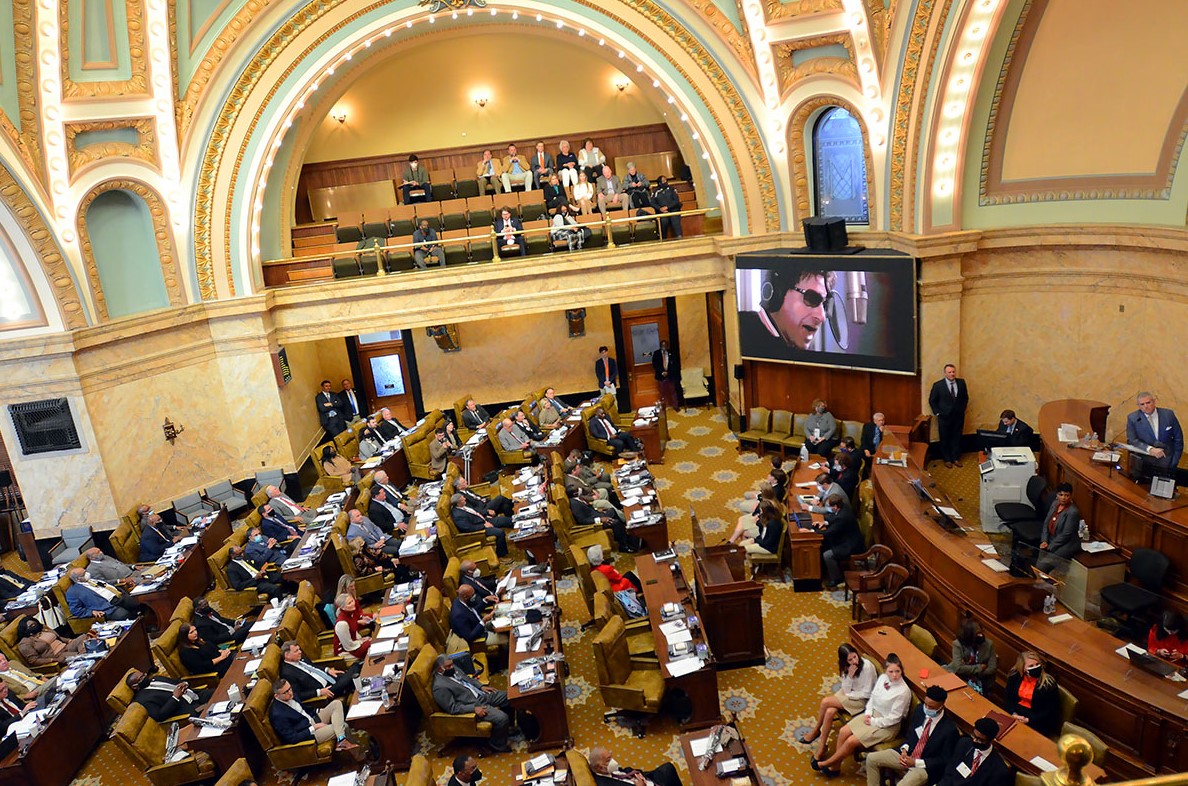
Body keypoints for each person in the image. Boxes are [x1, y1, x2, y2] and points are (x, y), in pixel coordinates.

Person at [813, 654, 911, 777]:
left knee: (851, 741)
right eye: (891, 671)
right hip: (873, 714)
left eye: (897, 671)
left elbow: (894, 718)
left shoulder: (903, 692)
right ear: (885, 671)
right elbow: (873, 698)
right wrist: (868, 713)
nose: (894, 675)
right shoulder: (883, 678)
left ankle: (828, 763)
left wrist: (874, 721)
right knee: (843, 731)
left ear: (902, 670)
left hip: (887, 726)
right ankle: (836, 767)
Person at [864, 685, 959, 786]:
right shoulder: (919, 711)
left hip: (924, 767)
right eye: (926, 704)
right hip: (908, 754)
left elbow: (943, 760)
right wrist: (904, 749)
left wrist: (915, 762)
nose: (927, 708)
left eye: (931, 707)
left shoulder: (949, 730)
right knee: (871, 759)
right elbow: (910, 735)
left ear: (941, 706)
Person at [798, 644, 877, 757]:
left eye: (855, 657)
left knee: (825, 702)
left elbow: (867, 693)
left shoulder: (867, 667)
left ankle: (816, 731)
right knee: (829, 711)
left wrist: (849, 695)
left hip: (862, 700)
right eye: (850, 660)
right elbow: (845, 688)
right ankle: (822, 746)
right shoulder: (847, 667)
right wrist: (850, 676)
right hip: (849, 694)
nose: (854, 661)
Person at [432, 652, 515, 752]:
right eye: (448, 666)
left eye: (452, 664)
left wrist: (481, 686)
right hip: (472, 705)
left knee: (510, 697)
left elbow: (467, 678)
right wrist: (474, 709)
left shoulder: (451, 669)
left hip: (480, 694)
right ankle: (497, 745)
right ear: (440, 669)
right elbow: (453, 708)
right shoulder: (440, 687)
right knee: (502, 718)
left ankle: (507, 730)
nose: (452, 667)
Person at [739, 268, 829, 352]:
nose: (822, 317)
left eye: (825, 304)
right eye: (811, 299)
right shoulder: (737, 332)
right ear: (778, 294)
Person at [269, 678, 358, 750]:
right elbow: (293, 738)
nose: (290, 693)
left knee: (336, 703)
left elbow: (304, 710)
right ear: (276, 696)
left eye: (290, 689)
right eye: (286, 692)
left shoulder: (290, 695)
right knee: (343, 726)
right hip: (309, 733)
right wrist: (314, 727)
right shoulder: (277, 715)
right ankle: (358, 756)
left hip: (312, 718)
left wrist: (318, 711)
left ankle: (341, 740)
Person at [936, 718, 1010, 786]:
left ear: (991, 740)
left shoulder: (998, 769)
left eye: (980, 740)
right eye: (974, 736)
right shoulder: (964, 744)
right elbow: (950, 772)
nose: (974, 740)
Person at [1002, 651, 1060, 737]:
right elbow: (1008, 697)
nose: (1035, 667)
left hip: (1037, 719)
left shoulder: (1049, 684)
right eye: (1031, 666)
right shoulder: (1014, 676)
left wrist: (1028, 720)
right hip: (1016, 713)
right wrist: (1013, 714)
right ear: (1023, 668)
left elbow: (1049, 710)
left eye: (1037, 664)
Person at [279, 639, 360, 701]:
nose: (300, 652)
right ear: (287, 655)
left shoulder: (300, 658)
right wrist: (319, 692)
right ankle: (356, 668)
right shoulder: (287, 673)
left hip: (329, 677)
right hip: (326, 690)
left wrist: (327, 670)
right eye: (296, 651)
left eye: (299, 649)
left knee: (350, 677)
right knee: (354, 670)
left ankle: (352, 684)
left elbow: (313, 666)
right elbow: (297, 695)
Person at [1126, 391, 1184, 476]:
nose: (1146, 406)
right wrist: (1150, 449)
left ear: (1154, 401)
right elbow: (1132, 440)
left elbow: (1178, 439)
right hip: (1145, 462)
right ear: (1138, 405)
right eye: (1142, 404)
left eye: (1148, 403)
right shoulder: (1133, 418)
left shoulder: (1168, 415)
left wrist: (1175, 461)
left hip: (1167, 462)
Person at [125, 668, 212, 721]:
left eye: (144, 674)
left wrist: (185, 683)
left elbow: (177, 681)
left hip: (195, 694)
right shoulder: (142, 699)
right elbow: (159, 715)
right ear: (135, 686)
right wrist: (175, 697)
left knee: (217, 693)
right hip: (188, 708)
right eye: (141, 678)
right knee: (213, 707)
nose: (145, 677)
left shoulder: (157, 678)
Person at [818, 496, 864, 589]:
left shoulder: (842, 517)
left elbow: (830, 532)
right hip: (846, 538)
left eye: (828, 506)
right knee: (825, 544)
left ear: (835, 506)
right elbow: (834, 517)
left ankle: (836, 578)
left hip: (850, 545)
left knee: (827, 555)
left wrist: (813, 531)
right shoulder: (843, 507)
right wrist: (825, 522)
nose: (827, 508)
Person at [587, 545, 645, 617]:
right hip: (616, 590)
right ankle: (644, 591)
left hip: (608, 586)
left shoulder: (592, 569)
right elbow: (618, 578)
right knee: (630, 577)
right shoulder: (606, 569)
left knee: (629, 574)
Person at [929, 364, 969, 468]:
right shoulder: (938, 385)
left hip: (958, 417)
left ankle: (955, 458)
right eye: (949, 372)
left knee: (957, 438)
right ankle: (947, 459)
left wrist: (962, 409)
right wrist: (938, 412)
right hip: (944, 417)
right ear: (945, 373)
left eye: (953, 372)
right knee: (944, 438)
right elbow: (932, 400)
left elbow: (965, 398)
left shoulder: (961, 383)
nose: (952, 374)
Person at [1035, 482, 1080, 572]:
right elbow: (1046, 523)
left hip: (1066, 544)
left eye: (1066, 495)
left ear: (1071, 496)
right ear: (1057, 495)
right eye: (1061, 495)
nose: (1063, 498)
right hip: (1051, 539)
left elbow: (1066, 534)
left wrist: (1050, 546)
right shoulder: (1055, 504)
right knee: (1038, 565)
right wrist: (1044, 540)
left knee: (1041, 566)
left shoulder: (1073, 512)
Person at [65, 567, 140, 621]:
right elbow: (75, 609)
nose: (87, 574)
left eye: (85, 571)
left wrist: (120, 581)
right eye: (84, 574)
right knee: (125, 615)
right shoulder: (73, 592)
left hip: (118, 595)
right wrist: (91, 612)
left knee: (138, 604)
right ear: (78, 579)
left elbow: (107, 583)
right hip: (108, 606)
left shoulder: (92, 579)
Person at [947, 618, 998, 694]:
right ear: (969, 635)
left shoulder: (989, 644)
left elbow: (992, 668)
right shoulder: (958, 644)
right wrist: (980, 667)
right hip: (959, 676)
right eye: (977, 633)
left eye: (981, 632)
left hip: (980, 680)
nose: (981, 635)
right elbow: (958, 668)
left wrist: (972, 672)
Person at [587, 745, 683, 786]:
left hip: (645, 779)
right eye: (608, 760)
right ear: (599, 767)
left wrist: (635, 773)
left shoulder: (605, 770)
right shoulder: (604, 783)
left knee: (668, 768)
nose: (613, 761)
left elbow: (623, 771)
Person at [15, 616, 90, 667]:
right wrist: (53, 660)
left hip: (66, 646)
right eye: (31, 626)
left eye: (34, 624)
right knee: (81, 656)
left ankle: (84, 653)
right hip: (58, 655)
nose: (34, 626)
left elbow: (59, 637)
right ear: (25, 630)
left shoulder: (43, 629)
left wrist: (70, 640)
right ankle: (84, 655)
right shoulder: (25, 643)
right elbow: (34, 661)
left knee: (83, 637)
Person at [449, 584, 507, 650]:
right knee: (506, 638)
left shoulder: (460, 600)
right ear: (465, 597)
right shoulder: (458, 616)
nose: (475, 596)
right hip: (481, 637)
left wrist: (485, 600)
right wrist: (484, 621)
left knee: (505, 617)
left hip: (481, 625)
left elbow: (473, 611)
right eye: (472, 595)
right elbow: (470, 637)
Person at [450, 493, 509, 558]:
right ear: (458, 503)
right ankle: (501, 555)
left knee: (505, 519)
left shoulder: (464, 505)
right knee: (500, 533)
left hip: (483, 520)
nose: (465, 499)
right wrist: (484, 526)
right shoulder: (458, 515)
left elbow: (476, 512)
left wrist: (485, 514)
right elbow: (468, 528)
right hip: (479, 530)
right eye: (462, 499)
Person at [225, 543, 291, 599]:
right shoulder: (231, 569)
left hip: (263, 575)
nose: (242, 555)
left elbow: (257, 564)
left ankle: (292, 593)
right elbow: (238, 586)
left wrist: (262, 570)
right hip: (255, 584)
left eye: (242, 552)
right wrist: (255, 578)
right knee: (274, 589)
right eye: (239, 554)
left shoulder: (245, 556)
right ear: (232, 555)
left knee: (285, 575)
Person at [332, 593, 370, 661]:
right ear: (343, 607)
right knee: (371, 645)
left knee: (372, 641)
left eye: (352, 601)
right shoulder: (342, 624)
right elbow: (349, 646)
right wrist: (361, 642)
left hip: (354, 643)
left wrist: (361, 639)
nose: (353, 604)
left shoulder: (350, 614)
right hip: (345, 651)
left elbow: (353, 631)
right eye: (349, 603)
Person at [651, 340, 681, 410]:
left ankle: (675, 406)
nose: (664, 347)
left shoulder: (672, 353)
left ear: (667, 346)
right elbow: (655, 364)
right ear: (660, 346)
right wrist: (662, 372)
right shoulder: (656, 353)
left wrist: (668, 372)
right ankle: (662, 407)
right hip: (661, 376)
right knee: (662, 393)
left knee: (673, 392)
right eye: (662, 346)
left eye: (665, 346)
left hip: (670, 375)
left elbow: (675, 365)